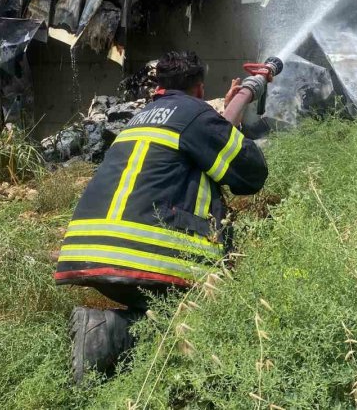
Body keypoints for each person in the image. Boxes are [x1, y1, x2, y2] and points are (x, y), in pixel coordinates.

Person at [55, 50, 269, 381]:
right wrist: (224, 124)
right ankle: (114, 330)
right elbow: (251, 174)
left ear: (161, 88)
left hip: (89, 250)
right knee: (208, 321)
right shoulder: (195, 116)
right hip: (144, 251)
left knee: (158, 309)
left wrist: (221, 120)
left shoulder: (140, 118)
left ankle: (108, 331)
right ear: (199, 89)